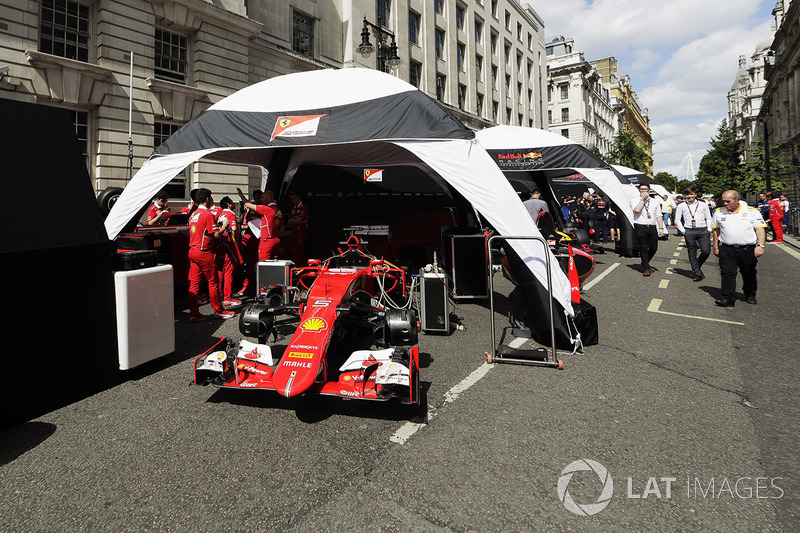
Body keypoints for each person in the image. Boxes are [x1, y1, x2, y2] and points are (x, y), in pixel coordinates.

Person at [711, 190, 767, 307]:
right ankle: (728, 298)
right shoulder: (719, 213)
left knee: (748, 273)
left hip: (747, 249)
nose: (725, 204)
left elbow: (760, 229)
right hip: (727, 248)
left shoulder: (751, 212)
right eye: (723, 201)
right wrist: (715, 246)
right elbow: (716, 230)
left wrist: (760, 245)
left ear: (737, 200)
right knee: (727, 273)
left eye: (728, 201)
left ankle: (750, 294)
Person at [187, 188, 235, 322]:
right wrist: (224, 225)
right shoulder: (207, 214)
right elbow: (217, 235)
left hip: (192, 251)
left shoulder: (193, 214)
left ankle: (194, 313)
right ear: (207, 199)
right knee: (213, 282)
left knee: (194, 284)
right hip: (204, 252)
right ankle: (219, 311)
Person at [674, 187, 712, 282]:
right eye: (687, 194)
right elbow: (677, 219)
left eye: (691, 194)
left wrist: (709, 229)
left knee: (706, 251)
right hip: (689, 230)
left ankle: (696, 266)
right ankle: (697, 272)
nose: (689, 196)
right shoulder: (681, 206)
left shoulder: (703, 204)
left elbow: (709, 217)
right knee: (692, 252)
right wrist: (683, 230)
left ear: (695, 194)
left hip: (702, 230)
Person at [237, 187, 281, 262]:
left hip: (266, 240)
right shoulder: (278, 210)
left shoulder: (267, 209)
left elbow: (247, 204)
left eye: (262, 197)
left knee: (263, 263)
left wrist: (241, 195)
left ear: (269, 197)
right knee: (274, 263)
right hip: (275, 239)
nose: (261, 199)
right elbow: (281, 228)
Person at [234, 189, 264, 298]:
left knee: (264, 265)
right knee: (250, 264)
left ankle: (262, 288)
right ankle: (248, 286)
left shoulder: (267, 208)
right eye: (255, 198)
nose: (257, 200)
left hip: (263, 241)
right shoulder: (252, 209)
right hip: (252, 240)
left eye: (259, 198)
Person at [631, 183, 665, 276]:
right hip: (640, 226)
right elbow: (637, 210)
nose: (643, 191)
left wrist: (661, 228)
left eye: (645, 189)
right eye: (641, 189)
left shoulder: (655, 201)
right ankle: (646, 268)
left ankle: (644, 261)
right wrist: (643, 199)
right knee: (643, 247)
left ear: (649, 190)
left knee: (654, 248)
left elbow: (658, 215)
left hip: (652, 227)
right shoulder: (635, 200)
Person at [215, 196, 242, 308]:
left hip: (221, 244)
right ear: (228, 204)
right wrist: (236, 242)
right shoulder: (231, 214)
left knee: (221, 270)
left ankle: (220, 294)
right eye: (232, 202)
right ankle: (227, 297)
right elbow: (234, 229)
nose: (234, 203)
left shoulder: (220, 214)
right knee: (229, 270)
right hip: (229, 244)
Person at [287, 191, 309, 266]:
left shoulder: (303, 207)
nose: (292, 201)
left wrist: (293, 220)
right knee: (294, 250)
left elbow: (299, 220)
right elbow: (288, 222)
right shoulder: (293, 208)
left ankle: (299, 265)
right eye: (291, 199)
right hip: (294, 231)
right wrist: (294, 221)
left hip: (301, 231)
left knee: (298, 249)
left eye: (294, 198)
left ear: (298, 197)